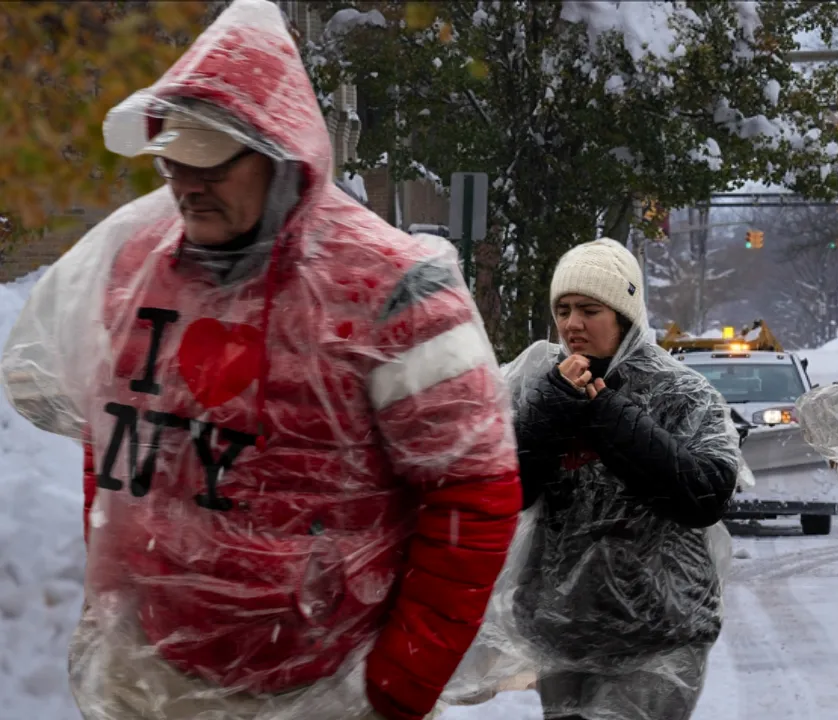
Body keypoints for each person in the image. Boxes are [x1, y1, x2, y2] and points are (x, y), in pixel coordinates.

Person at [0, 2, 520, 719]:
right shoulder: (135, 268)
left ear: (283, 156)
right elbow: (117, 435)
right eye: (172, 157)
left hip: (318, 686)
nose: (184, 181)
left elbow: (474, 490)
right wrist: (112, 595)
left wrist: (396, 687)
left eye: (210, 161)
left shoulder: (395, 289)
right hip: (149, 675)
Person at [504, 238, 740, 720]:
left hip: (660, 633)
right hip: (564, 631)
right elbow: (509, 490)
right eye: (563, 309)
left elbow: (705, 494)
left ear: (625, 316)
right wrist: (552, 406)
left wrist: (604, 409)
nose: (572, 324)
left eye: (589, 309)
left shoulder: (682, 392)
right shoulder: (540, 389)